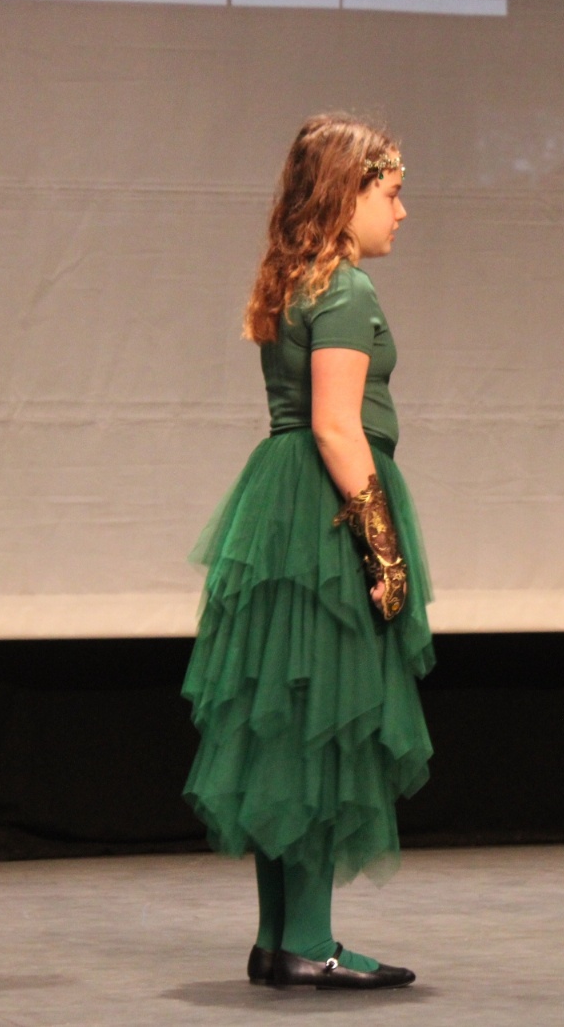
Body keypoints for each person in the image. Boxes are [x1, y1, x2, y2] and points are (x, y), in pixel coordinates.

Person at [180, 114, 433, 990]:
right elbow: (336, 425)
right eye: (391, 193)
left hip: (283, 512)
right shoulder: (348, 291)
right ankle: (310, 941)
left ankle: (278, 938)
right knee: (328, 720)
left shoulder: (293, 283)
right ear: (347, 193)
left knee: (288, 721)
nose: (401, 211)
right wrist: (382, 549)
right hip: (325, 512)